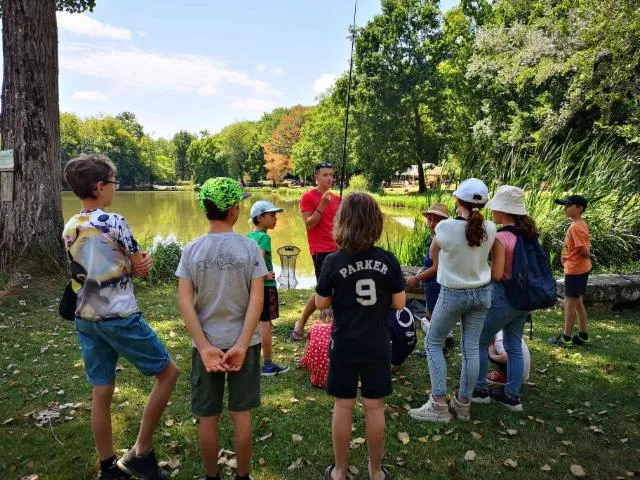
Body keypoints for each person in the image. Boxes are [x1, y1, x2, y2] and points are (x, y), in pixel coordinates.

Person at [62, 154, 179, 480]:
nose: (115, 188)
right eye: (113, 183)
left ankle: (108, 466)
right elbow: (139, 266)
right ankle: (141, 453)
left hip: (86, 318)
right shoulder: (114, 222)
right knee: (169, 374)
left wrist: (125, 265)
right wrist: (140, 265)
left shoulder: (70, 227)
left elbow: (90, 270)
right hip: (119, 316)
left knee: (101, 392)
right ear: (100, 187)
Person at [176, 177, 266, 480]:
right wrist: (242, 344)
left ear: (205, 209)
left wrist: (203, 347)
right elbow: (257, 299)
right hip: (246, 346)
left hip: (206, 348)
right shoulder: (251, 248)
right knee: (241, 414)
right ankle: (243, 476)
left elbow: (185, 302)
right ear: (234, 210)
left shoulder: (191, 250)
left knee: (207, 417)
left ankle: (211, 477)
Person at [315, 193, 406, 480]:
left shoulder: (332, 261)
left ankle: (340, 470)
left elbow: (320, 303)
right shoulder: (388, 260)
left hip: (344, 346)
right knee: (374, 407)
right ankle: (376, 472)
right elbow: (400, 302)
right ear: (375, 223)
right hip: (378, 345)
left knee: (343, 405)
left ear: (341, 223)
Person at [409, 178, 496, 423]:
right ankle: (463, 403)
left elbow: (432, 253)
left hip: (454, 293)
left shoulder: (445, 228)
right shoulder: (491, 227)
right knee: (470, 347)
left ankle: (438, 404)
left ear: (458, 201)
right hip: (482, 293)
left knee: (433, 342)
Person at [471, 185, 537, 411]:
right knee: (514, 345)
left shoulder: (501, 237)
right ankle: (512, 397)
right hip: (524, 299)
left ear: (504, 211)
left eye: (495, 208)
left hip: (504, 297)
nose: (492, 212)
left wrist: (480, 269)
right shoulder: (528, 235)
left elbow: (498, 275)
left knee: (480, 339)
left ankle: (479, 391)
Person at [290, 162, 340, 341]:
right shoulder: (308, 197)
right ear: (316, 177)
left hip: (338, 248)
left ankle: (334, 327)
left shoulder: (337, 198)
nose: (329, 178)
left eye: (331, 174)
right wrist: (322, 205)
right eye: (325, 175)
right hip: (320, 249)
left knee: (336, 289)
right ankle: (302, 323)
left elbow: (339, 224)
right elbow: (309, 223)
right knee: (323, 293)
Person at [247, 200, 289, 376]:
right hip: (266, 287)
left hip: (251, 287)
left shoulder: (248, 237)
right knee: (266, 325)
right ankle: (268, 365)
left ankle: (249, 362)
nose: (275, 218)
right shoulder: (264, 237)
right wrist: (264, 276)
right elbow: (257, 258)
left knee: (253, 323)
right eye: (272, 215)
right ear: (260, 217)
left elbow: (245, 262)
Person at [406, 203, 455, 353]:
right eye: (430, 219)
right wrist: (422, 270)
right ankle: (446, 336)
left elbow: (437, 268)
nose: (432, 224)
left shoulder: (441, 238)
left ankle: (439, 347)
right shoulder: (435, 236)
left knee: (431, 315)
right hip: (432, 283)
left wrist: (416, 278)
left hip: (436, 284)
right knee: (434, 314)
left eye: (437, 220)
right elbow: (431, 263)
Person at [552, 195, 591, 346]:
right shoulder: (579, 224)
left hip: (576, 270)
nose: (564, 209)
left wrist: (584, 255)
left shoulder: (576, 227)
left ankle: (566, 338)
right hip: (578, 268)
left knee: (569, 303)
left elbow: (584, 250)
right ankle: (583, 334)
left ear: (579, 208)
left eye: (568, 206)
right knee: (577, 301)